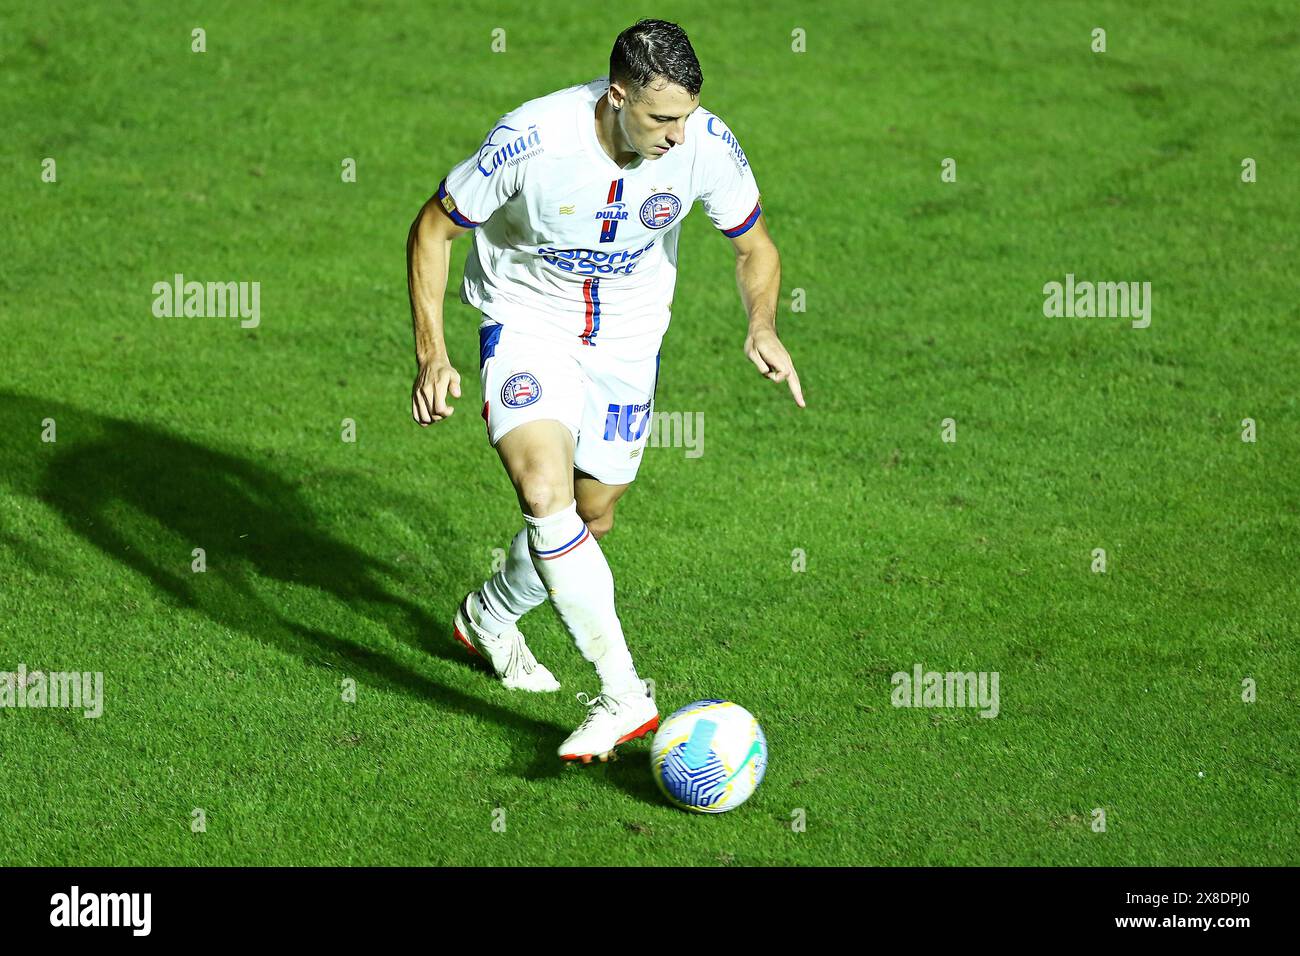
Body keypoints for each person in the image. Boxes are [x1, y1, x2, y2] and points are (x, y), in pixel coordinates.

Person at [406, 18, 804, 763]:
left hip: (628, 339)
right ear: (616, 94)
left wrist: (762, 325)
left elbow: (755, 246)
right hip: (527, 321)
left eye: (684, 115)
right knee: (543, 491)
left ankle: (487, 618)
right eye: (660, 118)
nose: (677, 135)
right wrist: (433, 354)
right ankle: (626, 695)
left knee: (592, 514)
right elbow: (433, 229)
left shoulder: (706, 146)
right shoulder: (534, 140)